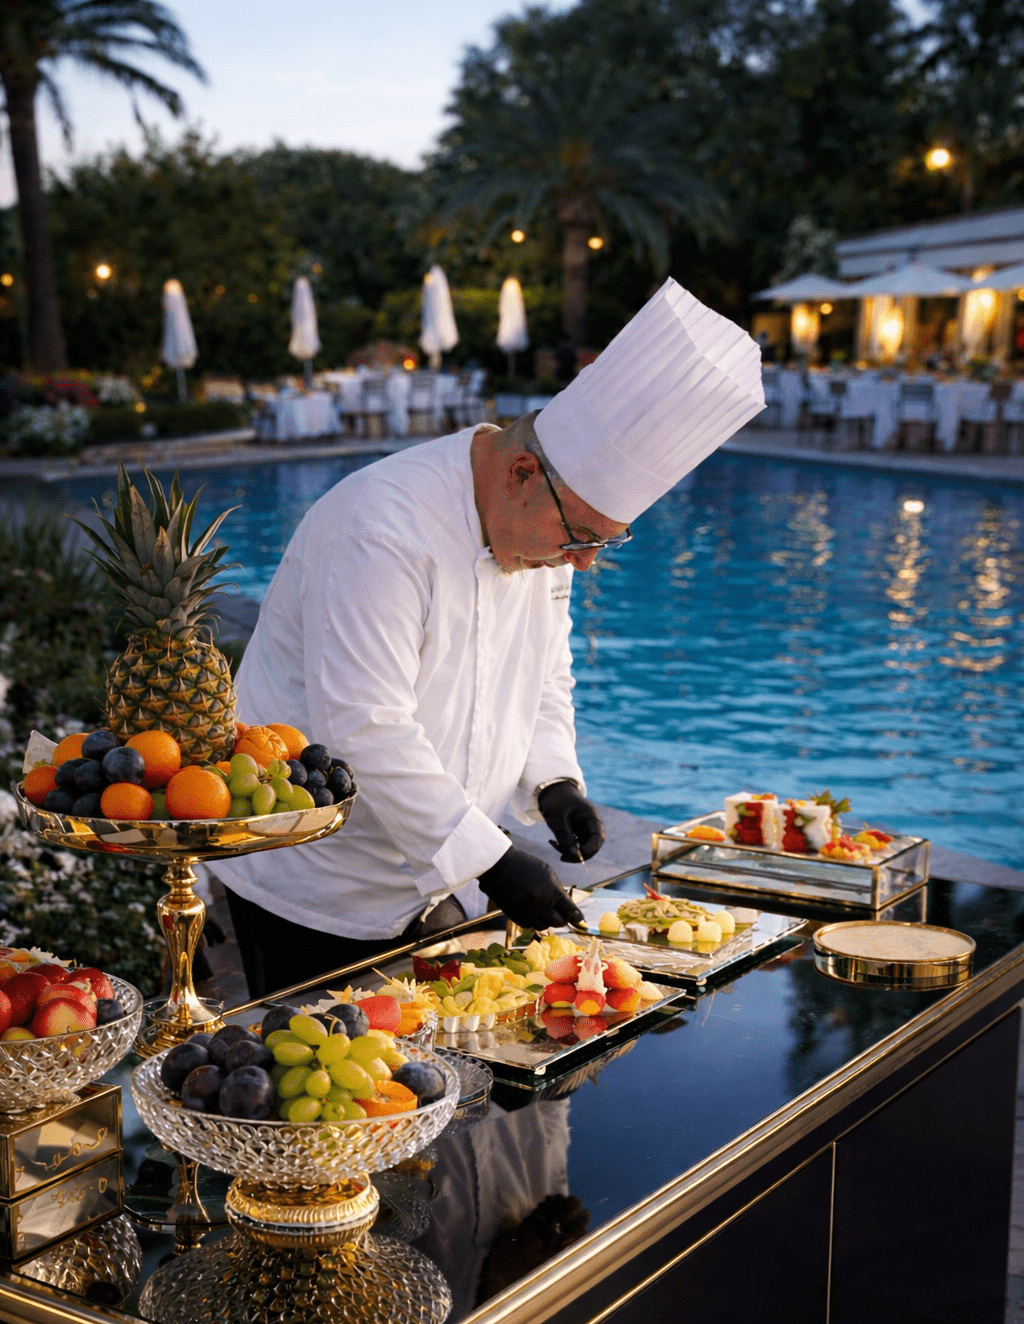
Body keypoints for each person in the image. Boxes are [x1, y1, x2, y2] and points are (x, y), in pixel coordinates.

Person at [213, 278, 764, 998]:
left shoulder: (544, 530)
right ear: (522, 472)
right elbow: (365, 726)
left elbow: (542, 676)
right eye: (582, 538)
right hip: (319, 878)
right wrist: (492, 859)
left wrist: (554, 780)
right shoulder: (381, 531)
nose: (586, 561)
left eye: (606, 542)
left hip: (438, 879)